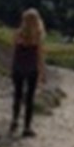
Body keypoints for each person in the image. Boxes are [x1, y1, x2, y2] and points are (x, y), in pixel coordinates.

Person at [9, 8, 46, 137]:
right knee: (30, 98)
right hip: (31, 69)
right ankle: (27, 127)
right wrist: (42, 73)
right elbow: (40, 57)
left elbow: (14, 52)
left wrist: (12, 67)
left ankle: (14, 120)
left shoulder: (18, 34)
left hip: (18, 67)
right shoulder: (38, 37)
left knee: (17, 95)